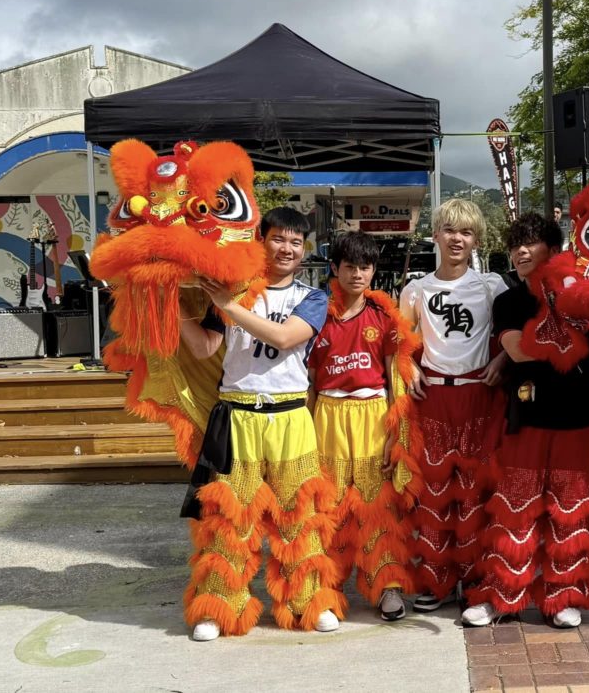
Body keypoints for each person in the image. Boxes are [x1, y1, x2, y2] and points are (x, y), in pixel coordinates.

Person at [180, 206, 344, 639]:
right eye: (279, 239)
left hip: (290, 417)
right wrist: (170, 308)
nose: (287, 248)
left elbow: (284, 338)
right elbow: (202, 349)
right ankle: (219, 606)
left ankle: (309, 601)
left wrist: (227, 304)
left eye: (296, 242)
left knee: (298, 517)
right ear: (261, 241)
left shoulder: (311, 297)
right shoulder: (234, 293)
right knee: (230, 520)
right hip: (237, 417)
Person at [461, 213, 589, 629]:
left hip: (578, 418)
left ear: (553, 250)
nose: (520, 251)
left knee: (570, 512)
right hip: (527, 416)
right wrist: (568, 339)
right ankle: (502, 596)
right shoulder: (509, 300)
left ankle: (563, 598)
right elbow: (519, 349)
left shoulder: (584, 294)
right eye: (515, 244)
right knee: (515, 510)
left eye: (531, 242)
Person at [399, 198, 508, 612]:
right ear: (436, 235)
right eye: (449, 230)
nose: (457, 239)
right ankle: (435, 580)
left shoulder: (491, 286)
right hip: (434, 399)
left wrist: (502, 357)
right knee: (433, 491)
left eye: (465, 232)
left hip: (479, 394)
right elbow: (399, 340)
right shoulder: (417, 289)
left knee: (475, 488)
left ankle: (476, 577)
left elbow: (516, 328)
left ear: (476, 239)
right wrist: (408, 366)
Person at [308, 231, 420, 622]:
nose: (358, 274)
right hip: (327, 416)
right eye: (350, 266)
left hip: (373, 414)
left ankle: (387, 587)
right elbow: (305, 379)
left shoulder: (384, 317)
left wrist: (397, 438)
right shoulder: (312, 314)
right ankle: (326, 589)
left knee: (379, 508)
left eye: (366, 267)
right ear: (334, 268)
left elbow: (397, 382)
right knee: (329, 506)